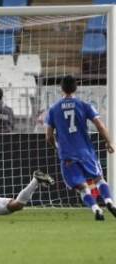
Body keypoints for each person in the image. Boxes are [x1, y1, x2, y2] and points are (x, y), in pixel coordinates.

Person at [45, 75, 116, 221]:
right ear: (76, 88)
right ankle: (109, 201)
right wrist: (109, 142)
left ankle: (96, 209)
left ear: (61, 89)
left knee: (82, 187)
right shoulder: (85, 105)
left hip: (67, 155)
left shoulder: (53, 109)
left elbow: (49, 136)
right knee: (98, 179)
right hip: (86, 151)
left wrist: (57, 148)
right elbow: (100, 125)